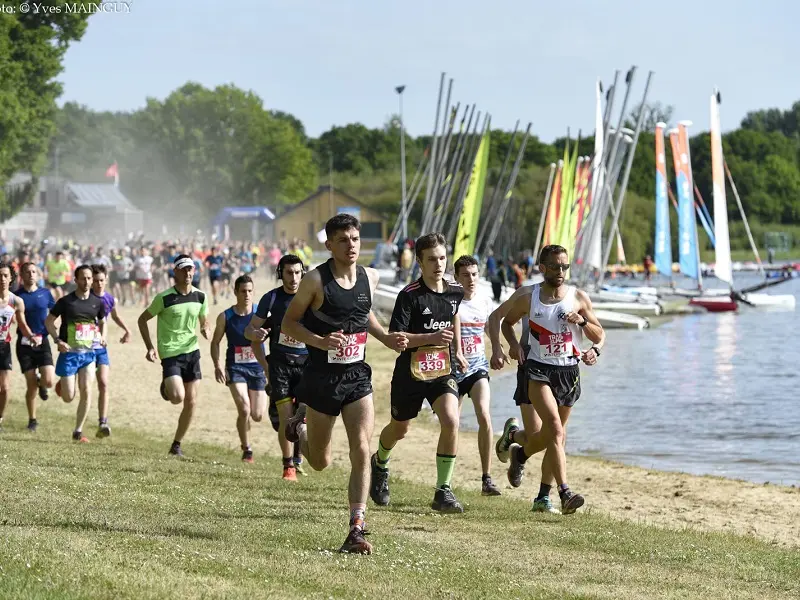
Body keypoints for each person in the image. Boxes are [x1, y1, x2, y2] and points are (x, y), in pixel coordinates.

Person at [281, 213, 407, 555]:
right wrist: (320, 342)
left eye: (354, 239)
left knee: (362, 448)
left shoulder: (370, 276)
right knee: (320, 461)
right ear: (329, 245)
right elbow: (289, 324)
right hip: (322, 378)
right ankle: (301, 430)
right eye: (342, 240)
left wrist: (385, 337)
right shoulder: (315, 281)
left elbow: (363, 314)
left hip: (356, 375)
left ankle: (356, 528)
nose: (351, 245)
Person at [486, 244, 604, 514]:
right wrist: (508, 346)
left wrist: (585, 329)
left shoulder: (578, 297)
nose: (561, 271)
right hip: (535, 368)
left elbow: (599, 334)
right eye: (555, 266)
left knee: (553, 436)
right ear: (542, 268)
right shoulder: (528, 295)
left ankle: (522, 457)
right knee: (554, 431)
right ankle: (564, 493)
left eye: (565, 266)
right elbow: (502, 320)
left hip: (568, 372)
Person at [370, 233, 469, 513]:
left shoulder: (455, 291)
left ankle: (443, 491)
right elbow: (397, 339)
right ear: (420, 262)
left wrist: (458, 349)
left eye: (442, 258)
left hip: (442, 369)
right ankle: (380, 463)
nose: (438, 265)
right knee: (400, 429)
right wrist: (430, 337)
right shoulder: (409, 295)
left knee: (451, 419)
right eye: (431, 259)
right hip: (410, 373)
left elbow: (454, 315)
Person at [137, 255, 211, 457]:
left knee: (191, 402)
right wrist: (150, 347)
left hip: (192, 352)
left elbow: (204, 319)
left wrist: (205, 328)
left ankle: (176, 445)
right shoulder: (164, 298)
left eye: (190, 269)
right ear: (175, 272)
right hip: (170, 353)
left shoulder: (201, 296)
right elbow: (142, 320)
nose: (188, 273)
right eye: (183, 269)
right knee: (178, 397)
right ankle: (167, 386)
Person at [245, 254, 308, 481]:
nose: (293, 278)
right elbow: (249, 331)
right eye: (289, 273)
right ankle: (288, 465)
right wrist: (256, 335)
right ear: (280, 274)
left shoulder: (311, 297)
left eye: (297, 273)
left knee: (303, 417)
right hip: (280, 365)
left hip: (306, 365)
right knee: (285, 416)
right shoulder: (271, 299)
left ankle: (298, 456)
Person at [452, 255, 501, 496]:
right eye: (465, 275)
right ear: (456, 278)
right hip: (452, 371)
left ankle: (486, 479)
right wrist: (456, 352)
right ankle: (446, 481)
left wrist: (498, 349)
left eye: (474, 274)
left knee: (484, 415)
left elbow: (489, 327)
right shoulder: (451, 302)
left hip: (477, 367)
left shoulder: (484, 300)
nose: (471, 279)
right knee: (452, 423)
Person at [44, 265, 106, 442]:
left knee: (86, 390)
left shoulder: (97, 302)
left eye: (89, 278)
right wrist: (58, 340)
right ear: (76, 280)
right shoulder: (66, 302)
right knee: (68, 397)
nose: (87, 282)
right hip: (69, 354)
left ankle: (78, 431)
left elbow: (103, 322)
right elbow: (49, 322)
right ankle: (63, 385)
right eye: (83, 278)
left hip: (88, 354)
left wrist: (102, 336)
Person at [210, 274, 267, 464]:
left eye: (250, 291)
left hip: (257, 368)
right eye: (243, 291)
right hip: (235, 367)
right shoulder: (225, 316)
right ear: (235, 292)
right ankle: (247, 448)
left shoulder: (260, 314)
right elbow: (215, 342)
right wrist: (217, 365)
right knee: (244, 409)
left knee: (257, 415)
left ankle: (246, 433)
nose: (247, 295)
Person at [90, 264, 132, 438]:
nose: (99, 284)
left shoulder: (110, 299)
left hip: (101, 347)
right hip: (83, 347)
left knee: (104, 383)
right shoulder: (85, 298)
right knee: (82, 387)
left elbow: (114, 316)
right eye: (95, 281)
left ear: (106, 280)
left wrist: (127, 330)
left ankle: (103, 422)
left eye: (101, 280)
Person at [14, 261, 56, 431]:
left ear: (38, 275)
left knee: (49, 381)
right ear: (22, 275)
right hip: (24, 343)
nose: (31, 274)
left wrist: (54, 328)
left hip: (42, 341)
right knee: (31, 385)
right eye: (27, 272)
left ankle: (42, 383)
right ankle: (32, 420)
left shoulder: (45, 293)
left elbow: (55, 312)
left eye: (34, 272)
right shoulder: (17, 296)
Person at [0, 262, 40, 432]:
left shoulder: (16, 301)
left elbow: (22, 324)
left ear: (11, 278)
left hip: (4, 347)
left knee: (5, 388)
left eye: (5, 276)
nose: (2, 279)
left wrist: (31, 336)